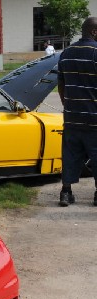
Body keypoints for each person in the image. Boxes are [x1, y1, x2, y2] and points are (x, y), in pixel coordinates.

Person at [57, 16, 97, 206]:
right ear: (94, 32)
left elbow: (61, 85)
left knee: (70, 155)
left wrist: (68, 106)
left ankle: (66, 193)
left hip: (72, 117)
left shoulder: (67, 53)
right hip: (94, 117)